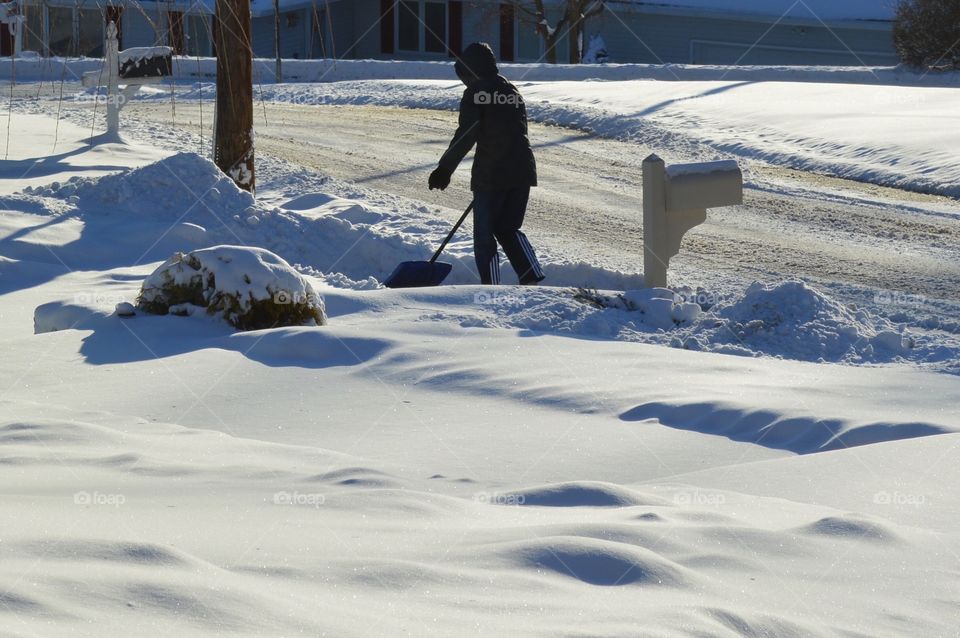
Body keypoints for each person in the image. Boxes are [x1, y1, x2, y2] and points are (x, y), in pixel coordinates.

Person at [428, 42, 545, 286]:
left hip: (492, 174)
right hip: (522, 170)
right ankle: (532, 277)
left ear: (473, 71)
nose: (465, 83)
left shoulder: (475, 93)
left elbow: (467, 134)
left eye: (465, 77)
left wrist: (445, 169)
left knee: (484, 236)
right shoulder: (511, 90)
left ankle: (490, 289)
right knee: (508, 228)